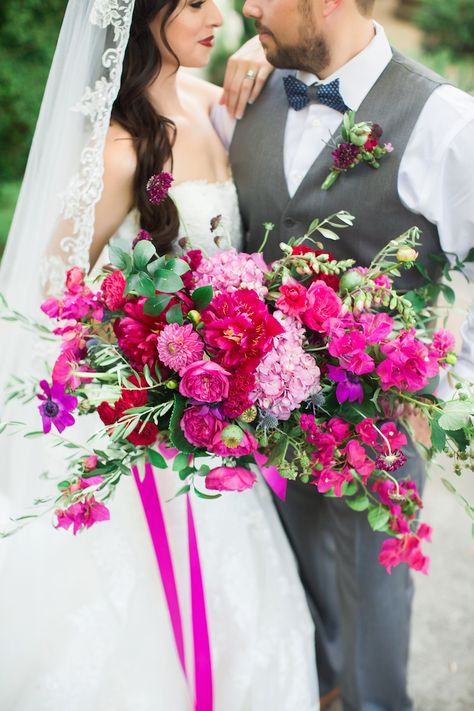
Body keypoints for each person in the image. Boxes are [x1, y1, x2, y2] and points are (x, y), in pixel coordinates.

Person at [0, 1, 320, 709]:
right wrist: (139, 366)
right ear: (144, 14)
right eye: (196, 3)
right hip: (156, 439)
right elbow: (48, 305)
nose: (219, 14)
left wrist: (264, 57)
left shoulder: (215, 106)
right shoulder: (117, 154)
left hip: (224, 437)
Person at [213, 0, 474, 709]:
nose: (248, 8)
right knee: (292, 590)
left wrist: (448, 388)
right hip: (268, 424)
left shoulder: (446, 120)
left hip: (377, 428)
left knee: (373, 610)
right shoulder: (250, 94)